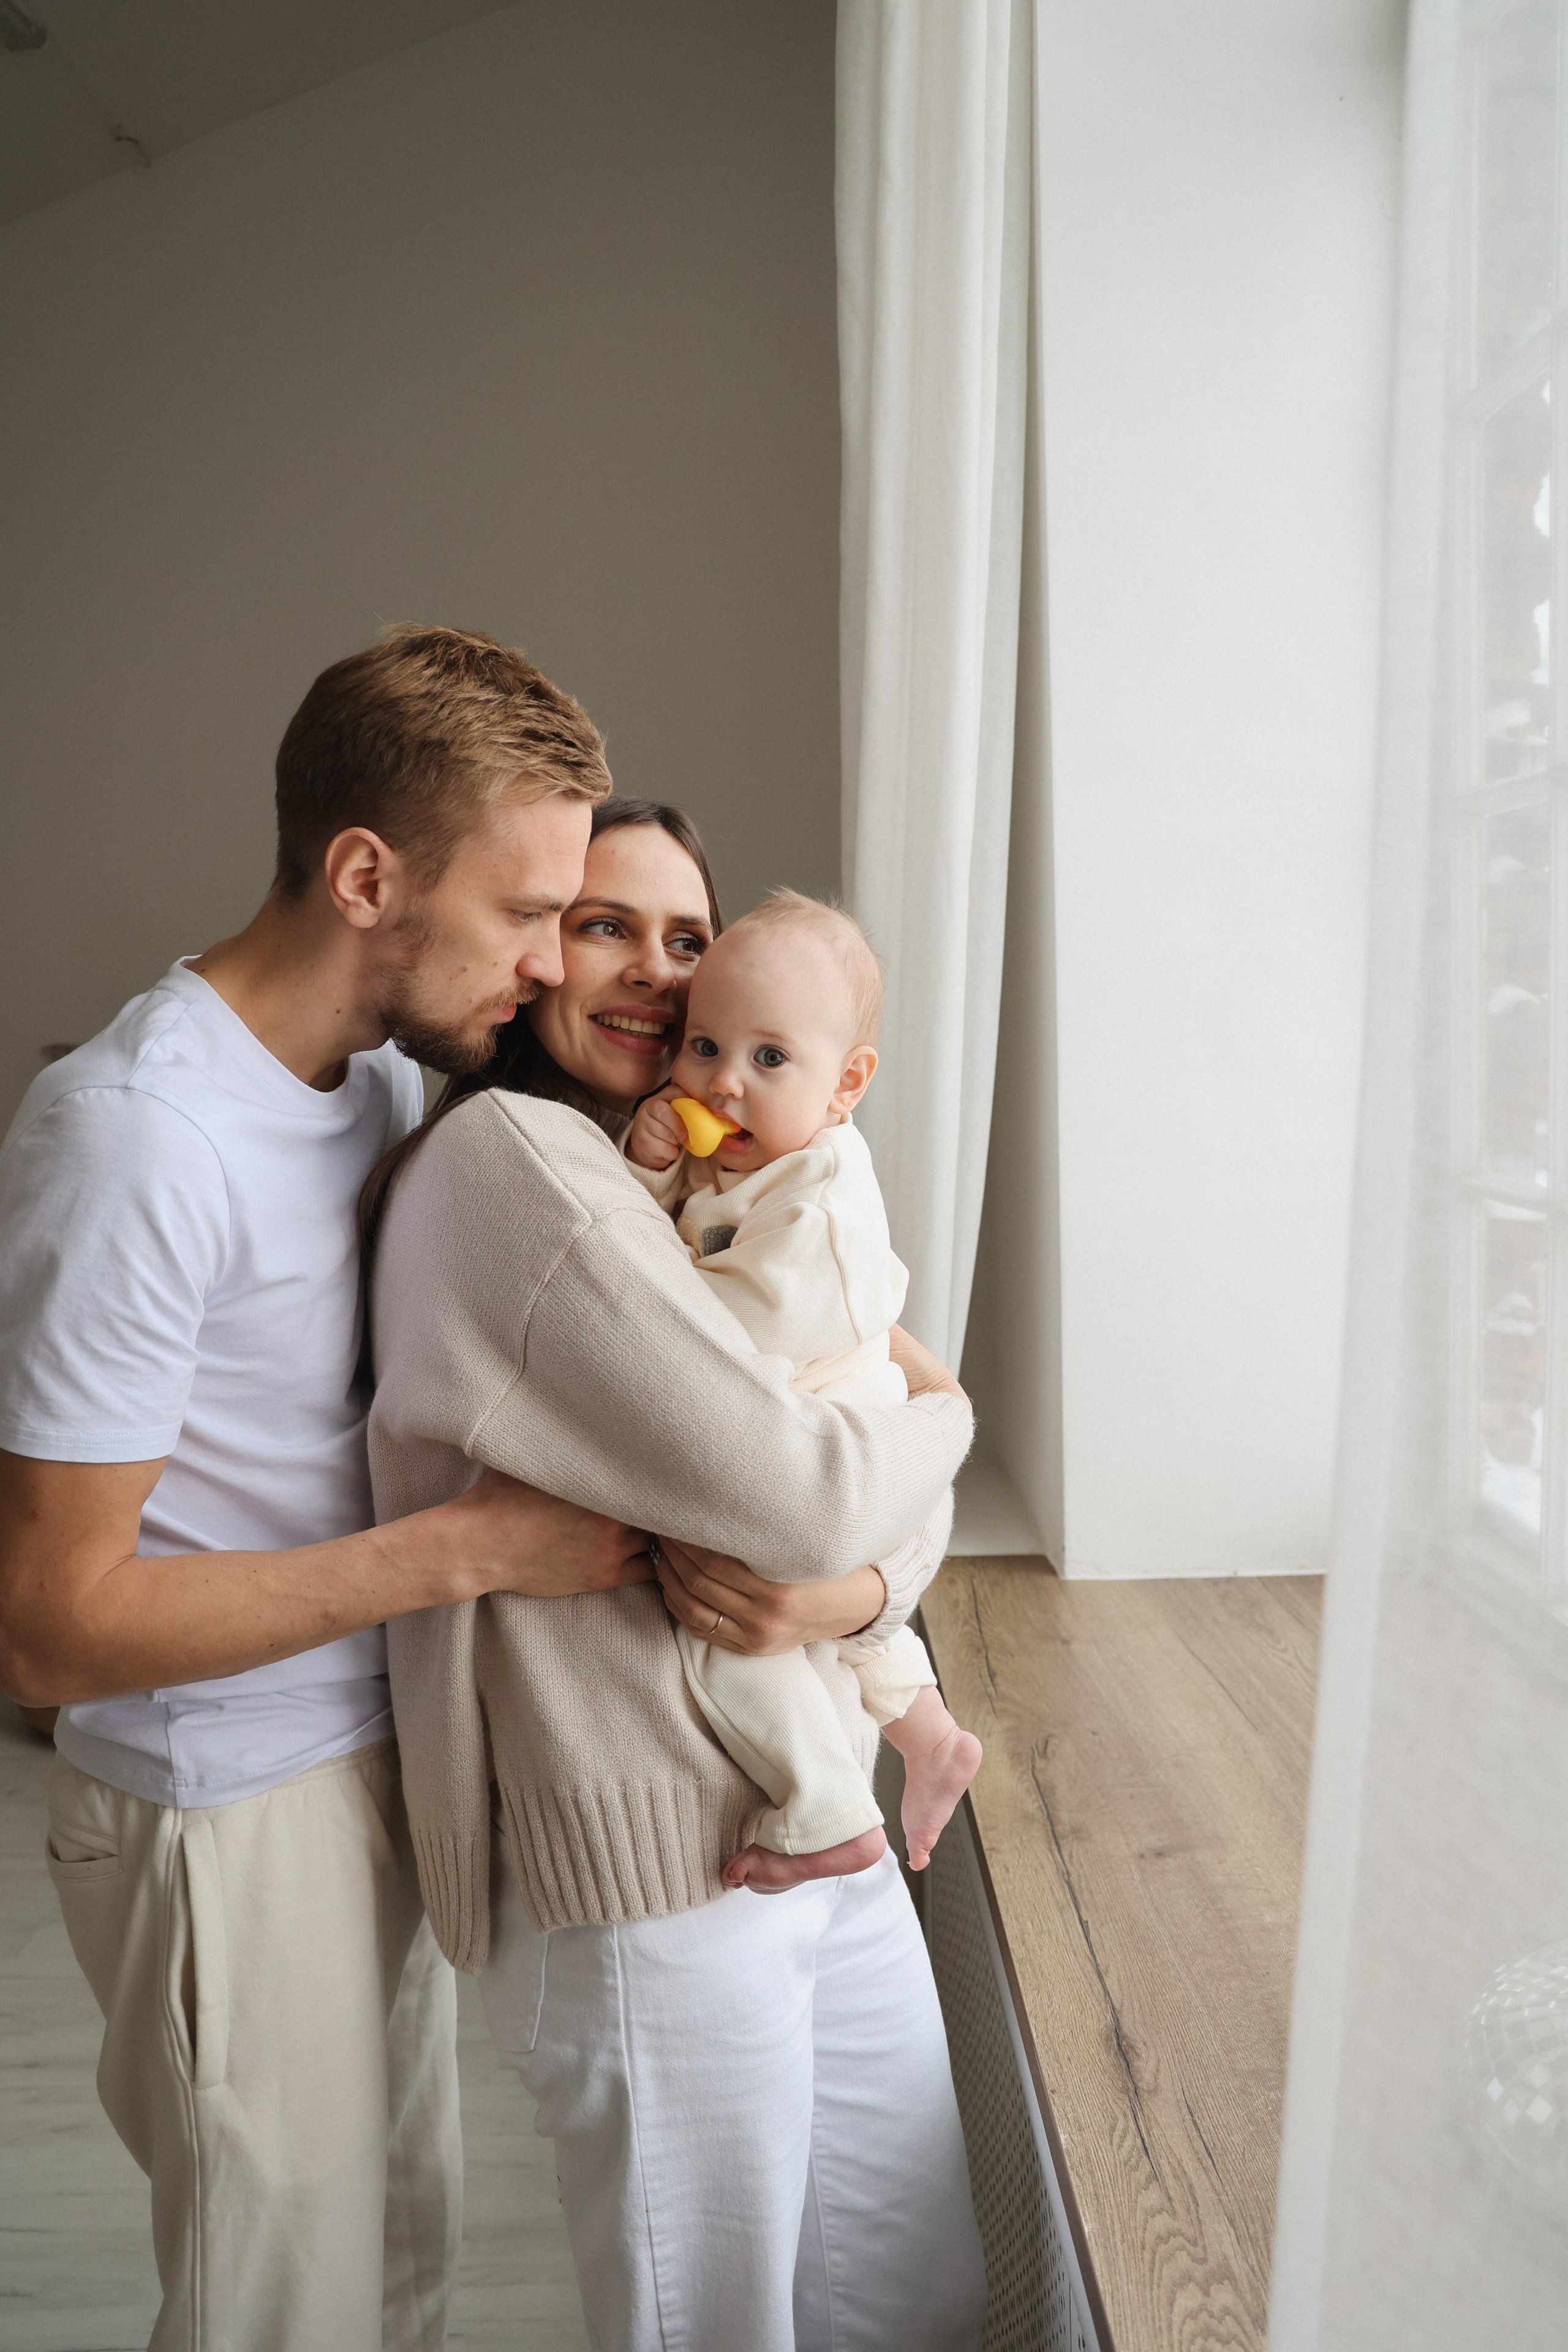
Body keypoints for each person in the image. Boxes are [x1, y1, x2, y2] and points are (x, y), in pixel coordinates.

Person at [0, 625, 658, 2352]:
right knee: (276, 2317)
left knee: (400, 2284)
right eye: (528, 913)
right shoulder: (135, 1136)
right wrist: (468, 1554)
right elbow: (50, 1628)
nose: (550, 960)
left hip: (367, 1759)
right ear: (367, 878)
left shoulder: (375, 1078)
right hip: (219, 1808)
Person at [366, 797, 988, 2352]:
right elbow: (818, 1480)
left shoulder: (727, 1190)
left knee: (912, 2297)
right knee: (714, 2325)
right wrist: (952, 1426)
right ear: (535, 953)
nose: (654, 972)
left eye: (685, 939)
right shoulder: (516, 1163)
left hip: (810, 1815)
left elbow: (855, 1441)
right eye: (604, 926)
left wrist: (857, 1595)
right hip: (652, 1882)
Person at [624, 888, 983, 1890]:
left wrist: (652, 1221)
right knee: (859, 1634)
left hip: (828, 1429)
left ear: (845, 1085)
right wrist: (652, 1169)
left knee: (722, 1635)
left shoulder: (821, 1201)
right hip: (836, 1406)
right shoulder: (760, 1157)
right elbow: (681, 1223)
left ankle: (826, 1810)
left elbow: (706, 1336)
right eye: (704, 1046)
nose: (725, 1083)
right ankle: (930, 1735)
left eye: (770, 1058)